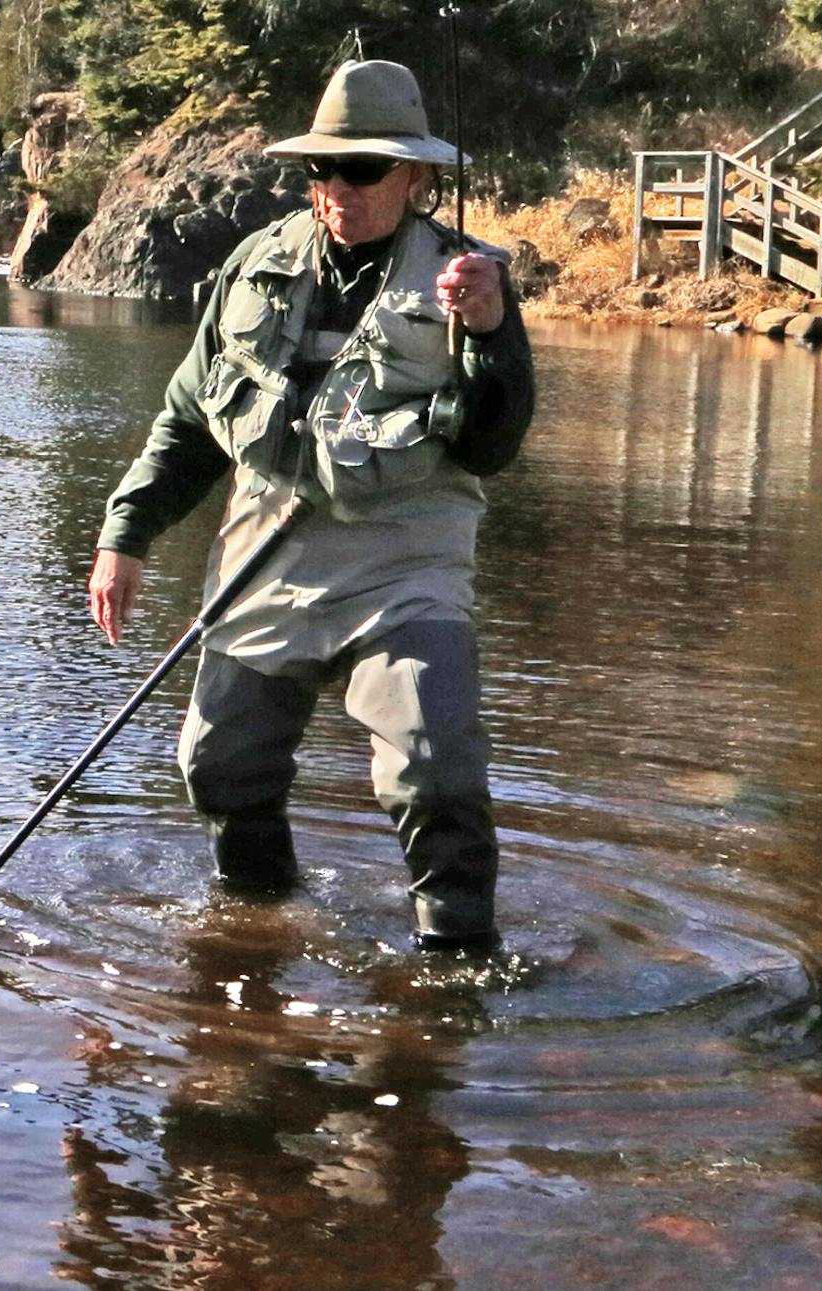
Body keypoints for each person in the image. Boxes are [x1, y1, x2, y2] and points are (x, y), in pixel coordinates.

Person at [86, 59, 535, 952]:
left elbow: (494, 442)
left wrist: (487, 333)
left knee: (433, 766)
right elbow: (189, 414)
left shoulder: (467, 282)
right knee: (218, 764)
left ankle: (455, 969)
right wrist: (126, 533)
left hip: (406, 554)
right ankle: (260, 924)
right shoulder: (258, 265)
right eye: (321, 169)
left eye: (363, 169)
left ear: (415, 177)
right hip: (269, 543)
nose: (338, 188)